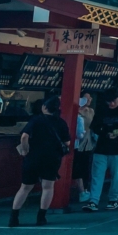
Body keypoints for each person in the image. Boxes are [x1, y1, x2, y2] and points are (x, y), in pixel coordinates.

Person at [10, 96, 70, 227]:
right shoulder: (61, 123)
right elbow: (67, 142)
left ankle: (14, 217)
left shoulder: (36, 120)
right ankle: (41, 217)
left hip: (33, 157)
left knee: (25, 187)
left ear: (44, 107)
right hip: (52, 158)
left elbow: (24, 136)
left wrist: (25, 150)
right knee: (48, 187)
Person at [72, 91, 95, 204]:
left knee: (86, 167)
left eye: (90, 98)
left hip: (88, 143)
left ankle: (85, 189)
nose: (89, 101)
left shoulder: (91, 111)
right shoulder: (75, 112)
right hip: (78, 144)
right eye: (86, 99)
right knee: (77, 168)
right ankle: (81, 191)